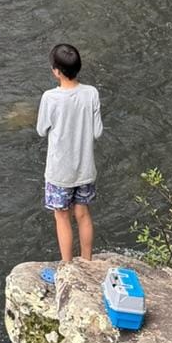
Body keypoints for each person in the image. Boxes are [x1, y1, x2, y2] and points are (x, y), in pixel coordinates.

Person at [37, 42, 102, 264]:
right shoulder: (91, 93)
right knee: (83, 214)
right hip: (85, 168)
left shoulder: (49, 98)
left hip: (59, 173)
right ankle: (87, 263)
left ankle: (67, 267)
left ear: (56, 71)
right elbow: (98, 131)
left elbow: (41, 130)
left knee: (62, 217)